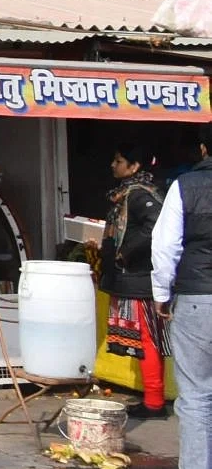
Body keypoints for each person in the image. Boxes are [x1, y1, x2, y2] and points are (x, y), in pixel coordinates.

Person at [152, 125, 212, 469]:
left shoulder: (186, 186)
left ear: (203, 149)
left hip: (197, 298)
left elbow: (165, 246)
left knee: (196, 393)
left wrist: (161, 293)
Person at [102, 144, 168, 416]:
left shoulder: (141, 196)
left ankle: (154, 402)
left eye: (119, 161)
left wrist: (123, 252)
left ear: (135, 166)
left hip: (139, 278)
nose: (113, 165)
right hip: (133, 277)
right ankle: (153, 398)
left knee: (147, 339)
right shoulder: (126, 195)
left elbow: (156, 227)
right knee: (144, 341)